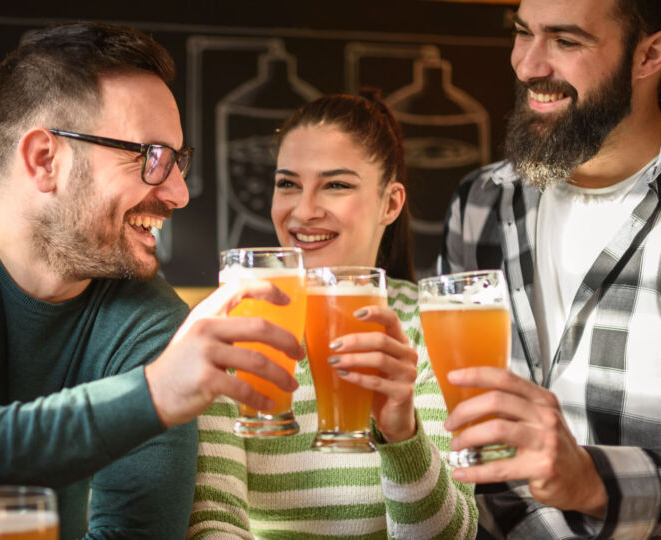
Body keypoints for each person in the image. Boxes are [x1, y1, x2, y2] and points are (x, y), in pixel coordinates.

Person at [0, 21, 303, 539]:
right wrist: (150, 395)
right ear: (44, 159)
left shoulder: (152, 320)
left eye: (177, 161)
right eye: (151, 158)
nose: (179, 194)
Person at [439, 0, 661, 537]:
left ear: (649, 55)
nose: (527, 65)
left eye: (566, 42)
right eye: (523, 33)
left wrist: (592, 480)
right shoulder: (479, 203)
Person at [188, 91, 477, 539]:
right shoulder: (230, 321)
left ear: (391, 203)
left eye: (336, 185)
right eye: (287, 184)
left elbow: (452, 536)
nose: (303, 211)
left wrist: (402, 434)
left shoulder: (434, 324)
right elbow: (212, 522)